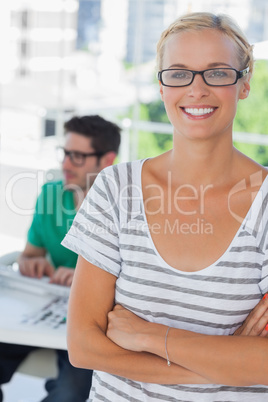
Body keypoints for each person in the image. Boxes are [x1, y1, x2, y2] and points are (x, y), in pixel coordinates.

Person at [62, 12, 268, 402]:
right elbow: (84, 346)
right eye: (178, 73)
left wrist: (150, 336)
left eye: (218, 73)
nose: (197, 89)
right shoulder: (115, 188)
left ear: (243, 84)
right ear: (161, 86)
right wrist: (223, 362)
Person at [0, 115, 121, 402]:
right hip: (41, 316)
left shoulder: (123, 209)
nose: (65, 165)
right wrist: (32, 262)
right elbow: (31, 254)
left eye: (77, 157)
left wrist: (85, 279)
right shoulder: (51, 194)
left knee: (71, 394)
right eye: (65, 153)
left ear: (107, 159)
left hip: (88, 328)